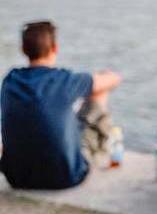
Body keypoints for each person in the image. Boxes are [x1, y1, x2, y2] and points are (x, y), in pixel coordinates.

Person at [0, 21, 122, 189]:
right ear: (54, 47)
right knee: (100, 90)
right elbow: (114, 79)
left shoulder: (10, 81)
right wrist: (103, 76)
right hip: (66, 177)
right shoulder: (64, 80)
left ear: (23, 50)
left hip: (17, 177)